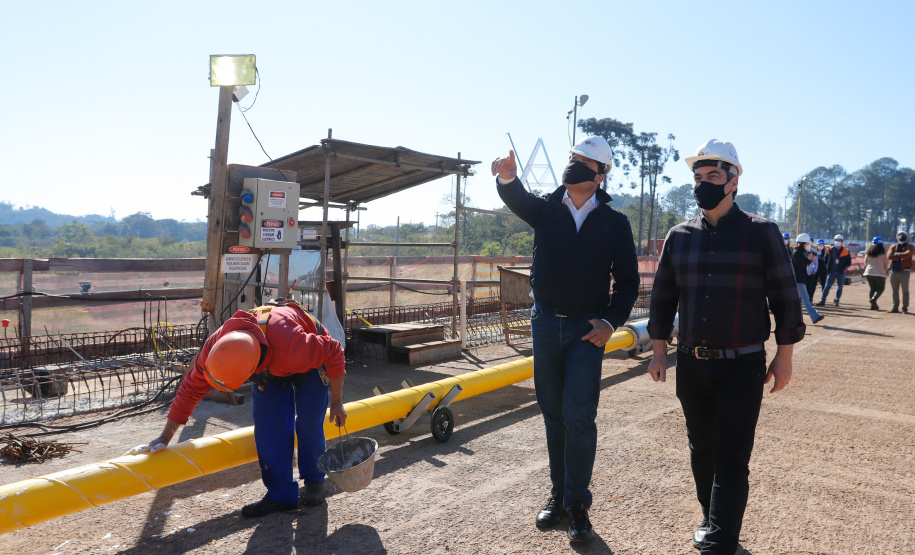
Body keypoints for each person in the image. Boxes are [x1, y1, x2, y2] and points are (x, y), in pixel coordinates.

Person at [646, 139, 804, 555]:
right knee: (701, 448)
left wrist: (783, 357)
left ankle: (721, 540)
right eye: (698, 178)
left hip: (742, 364)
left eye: (713, 176)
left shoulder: (762, 233)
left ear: (733, 181)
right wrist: (660, 350)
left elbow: (785, 299)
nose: (704, 184)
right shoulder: (679, 237)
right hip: (692, 364)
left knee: (732, 453)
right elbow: (663, 298)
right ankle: (711, 517)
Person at [491, 136, 639, 542]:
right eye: (572, 158)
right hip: (545, 325)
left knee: (578, 415)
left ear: (600, 174)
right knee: (554, 415)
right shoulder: (547, 209)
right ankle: (558, 496)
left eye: (584, 161)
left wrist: (611, 322)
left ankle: (577, 505)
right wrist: (507, 179)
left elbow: (627, 283)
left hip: (586, 333)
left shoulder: (614, 223)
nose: (573, 164)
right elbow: (518, 199)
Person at [129, 300, 347, 518]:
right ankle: (281, 495)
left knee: (309, 423)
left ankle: (315, 482)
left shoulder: (293, 345)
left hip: (309, 360)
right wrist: (164, 436)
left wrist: (336, 402)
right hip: (270, 359)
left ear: (253, 367)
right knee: (269, 428)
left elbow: (335, 351)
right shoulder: (217, 350)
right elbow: (189, 391)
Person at [793, 234, 825, 323]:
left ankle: (795, 319)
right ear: (802, 244)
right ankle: (815, 316)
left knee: (798, 300)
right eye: (807, 244)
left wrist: (809, 258)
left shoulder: (801, 253)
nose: (808, 246)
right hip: (798, 280)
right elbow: (800, 265)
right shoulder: (797, 253)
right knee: (806, 299)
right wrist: (810, 258)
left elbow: (804, 263)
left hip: (801, 279)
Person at [816, 234, 851, 307]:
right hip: (831, 272)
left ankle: (836, 301)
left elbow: (849, 262)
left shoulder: (846, 251)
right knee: (827, 286)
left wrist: (845, 267)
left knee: (840, 287)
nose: (838, 241)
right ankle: (822, 300)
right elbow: (826, 259)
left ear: (842, 241)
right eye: (836, 240)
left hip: (841, 272)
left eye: (839, 240)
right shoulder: (830, 250)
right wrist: (827, 268)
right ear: (834, 241)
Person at [887, 231, 913, 313]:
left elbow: (908, 254)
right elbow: (889, 256)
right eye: (899, 235)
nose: (902, 237)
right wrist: (901, 256)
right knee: (894, 291)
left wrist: (896, 255)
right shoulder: (893, 246)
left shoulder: (910, 246)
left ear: (907, 238)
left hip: (904, 271)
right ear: (897, 237)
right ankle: (895, 307)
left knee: (905, 290)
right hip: (894, 271)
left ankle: (905, 307)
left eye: (904, 235)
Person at [863, 237, 889, 310]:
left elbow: (865, 263)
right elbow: (887, 264)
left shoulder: (868, 253)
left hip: (869, 272)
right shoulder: (883, 254)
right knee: (881, 288)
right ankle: (874, 299)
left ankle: (872, 306)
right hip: (880, 273)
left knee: (872, 289)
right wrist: (886, 270)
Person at [804, 238, 820, 302]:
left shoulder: (814, 252)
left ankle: (810, 299)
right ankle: (802, 300)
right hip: (803, 273)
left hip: (811, 273)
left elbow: (816, 263)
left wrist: (814, 271)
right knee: (803, 288)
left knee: (810, 287)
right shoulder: (803, 252)